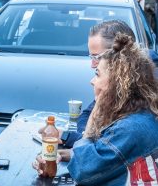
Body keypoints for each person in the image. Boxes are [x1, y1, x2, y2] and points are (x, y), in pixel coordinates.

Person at [36, 33, 158, 185]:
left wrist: (96, 111)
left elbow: (82, 171)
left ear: (117, 84)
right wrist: (66, 154)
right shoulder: (139, 115)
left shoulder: (129, 128)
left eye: (97, 74)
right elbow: (111, 156)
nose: (92, 81)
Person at [60, 20, 136, 148]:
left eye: (97, 57)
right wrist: (85, 136)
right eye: (91, 57)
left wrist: (72, 138)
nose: (92, 65)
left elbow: (107, 147)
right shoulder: (117, 86)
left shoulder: (139, 96)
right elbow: (85, 115)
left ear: (119, 55)